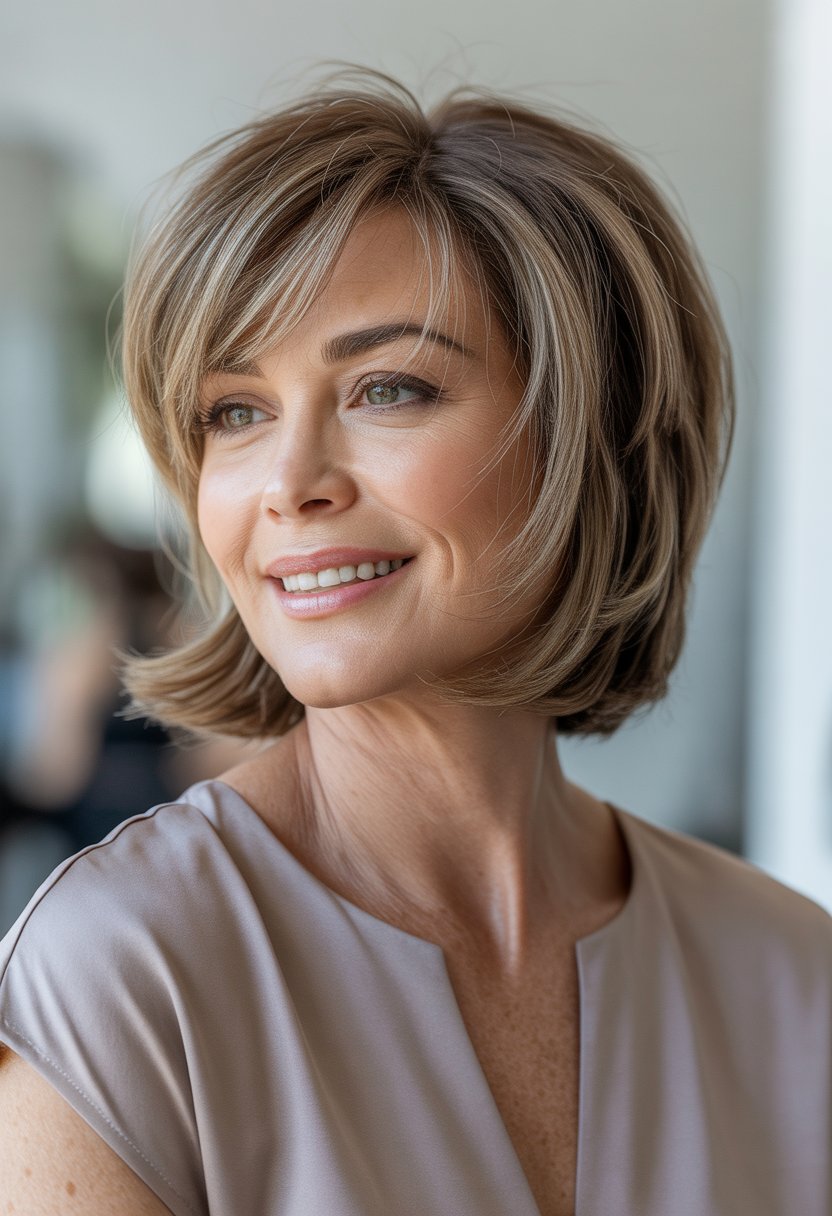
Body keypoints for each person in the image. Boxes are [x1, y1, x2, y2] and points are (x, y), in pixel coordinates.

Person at [0, 64, 829, 1216]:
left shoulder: (791, 975)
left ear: (584, 432)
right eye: (233, 412)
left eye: (387, 388)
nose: (288, 484)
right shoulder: (128, 970)